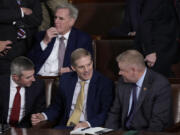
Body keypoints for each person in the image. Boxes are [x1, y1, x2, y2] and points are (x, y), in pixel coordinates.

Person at [31, 48, 113, 129]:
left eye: (89, 65)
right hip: (66, 127)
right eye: (81, 67)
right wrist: (43, 116)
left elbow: (106, 112)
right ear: (73, 68)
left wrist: (88, 124)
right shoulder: (65, 80)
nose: (87, 70)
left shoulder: (104, 83)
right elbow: (57, 107)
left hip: (90, 127)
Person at [105, 50, 173, 131]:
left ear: (133, 70)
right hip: (123, 132)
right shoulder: (122, 82)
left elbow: (158, 123)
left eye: (122, 70)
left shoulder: (160, 85)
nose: (119, 73)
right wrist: (109, 133)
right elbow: (114, 113)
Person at [28, 2, 93, 76]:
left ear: (71, 22)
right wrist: (44, 42)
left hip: (65, 81)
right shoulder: (43, 35)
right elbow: (29, 63)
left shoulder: (82, 39)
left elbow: (88, 66)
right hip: (39, 79)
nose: (56, 21)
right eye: (55, 17)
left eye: (61, 19)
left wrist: (71, 69)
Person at [133, 0, 178, 77]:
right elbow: (145, 23)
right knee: (157, 84)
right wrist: (150, 51)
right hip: (157, 52)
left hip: (170, 50)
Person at [0, 56, 46, 128]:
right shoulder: (1, 83)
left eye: (33, 75)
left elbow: (39, 110)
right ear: (15, 77)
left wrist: (37, 117)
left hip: (25, 128)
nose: (33, 79)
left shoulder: (38, 85)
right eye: (28, 77)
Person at [0, 0, 42, 75]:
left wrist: (15, 21)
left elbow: (37, 20)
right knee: (6, 81)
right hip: (6, 47)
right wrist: (21, 12)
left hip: (28, 46)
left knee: (27, 80)